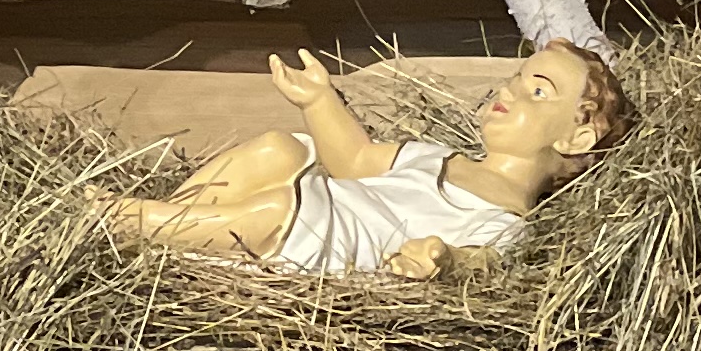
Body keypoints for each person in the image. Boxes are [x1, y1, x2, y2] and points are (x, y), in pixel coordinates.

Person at [103, 43, 633, 277]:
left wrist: (442, 259)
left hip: (333, 245)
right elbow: (354, 159)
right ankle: (165, 237)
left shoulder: (506, 222)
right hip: (326, 202)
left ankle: (113, 221)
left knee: (272, 210)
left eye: (537, 92)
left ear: (579, 137)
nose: (510, 90)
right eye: (516, 78)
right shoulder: (437, 158)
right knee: (278, 147)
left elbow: (483, 266)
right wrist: (318, 101)